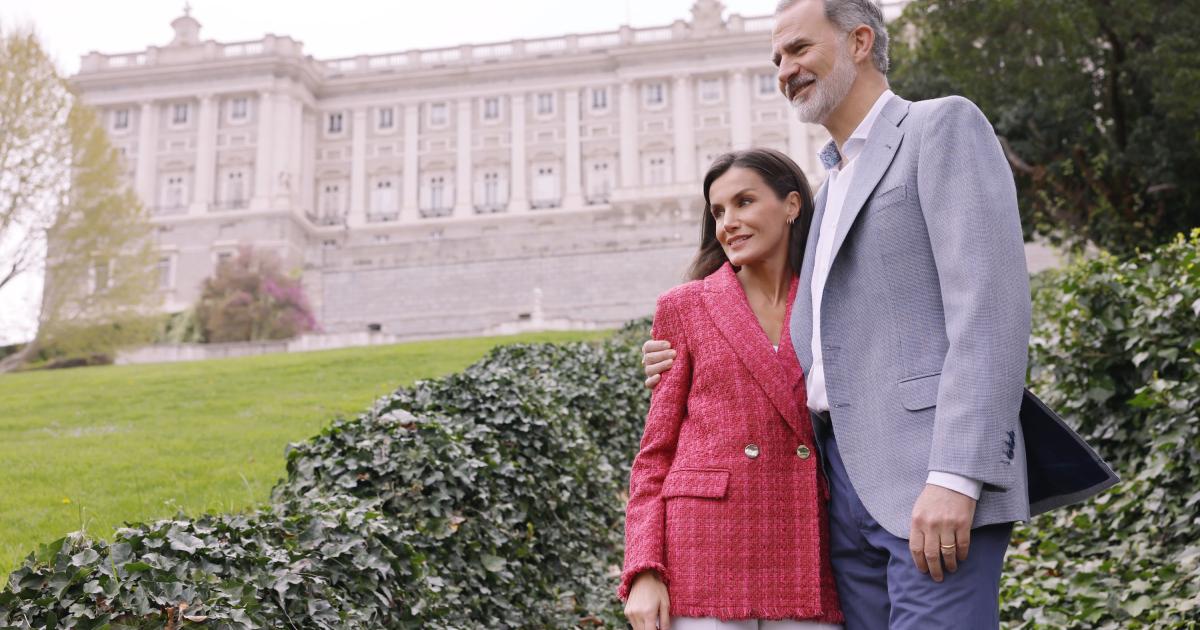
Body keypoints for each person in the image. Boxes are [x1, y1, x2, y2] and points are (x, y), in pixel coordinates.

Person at [641, 0, 1104, 627]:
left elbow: (989, 313)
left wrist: (956, 475)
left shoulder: (940, 128)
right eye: (777, 57)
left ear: (860, 41)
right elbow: (809, 335)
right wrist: (688, 357)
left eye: (799, 49)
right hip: (838, 491)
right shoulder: (827, 194)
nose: (785, 69)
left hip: (926, 475)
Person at [619, 149, 844, 630]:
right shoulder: (684, 307)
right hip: (701, 551)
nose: (729, 222)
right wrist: (642, 570)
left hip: (805, 542)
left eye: (744, 202)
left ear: (791, 205)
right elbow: (654, 454)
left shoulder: (831, 298)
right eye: (718, 212)